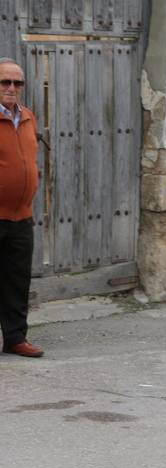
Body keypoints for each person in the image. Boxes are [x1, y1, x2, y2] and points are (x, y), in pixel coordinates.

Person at [0, 58, 42, 358]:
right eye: (5, 82)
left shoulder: (27, 117)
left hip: (21, 217)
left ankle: (15, 338)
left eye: (18, 83)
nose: (12, 88)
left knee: (17, 280)